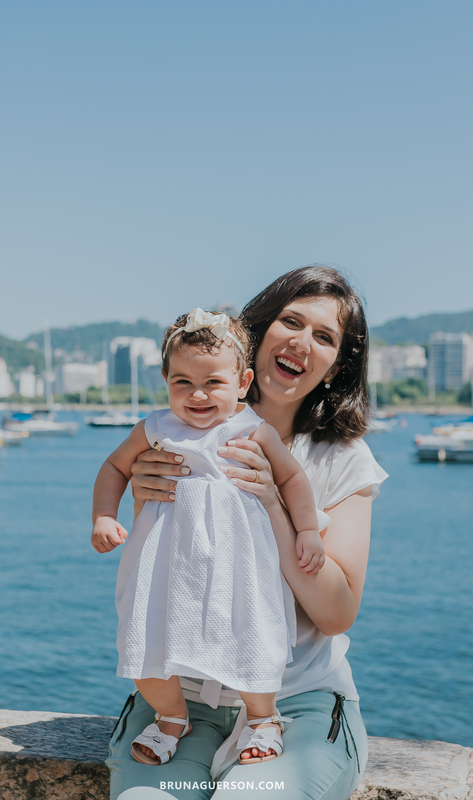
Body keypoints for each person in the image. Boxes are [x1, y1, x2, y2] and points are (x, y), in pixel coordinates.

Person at [104, 266, 388, 800]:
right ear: (254, 335)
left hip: (296, 700)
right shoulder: (173, 433)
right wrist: (136, 496)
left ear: (333, 367)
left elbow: (336, 613)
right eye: (291, 321)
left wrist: (275, 507)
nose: (303, 343)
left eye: (325, 337)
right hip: (179, 700)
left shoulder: (343, 462)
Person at [92, 307, 326, 768]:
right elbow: (114, 467)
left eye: (213, 383)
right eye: (183, 383)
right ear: (165, 379)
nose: (197, 395)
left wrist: (309, 532)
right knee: (145, 637)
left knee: (249, 632)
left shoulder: (253, 430)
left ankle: (262, 718)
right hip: (165, 562)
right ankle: (171, 716)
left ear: (241, 382)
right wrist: (104, 515)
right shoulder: (155, 428)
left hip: (239, 563)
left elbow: (294, 479)